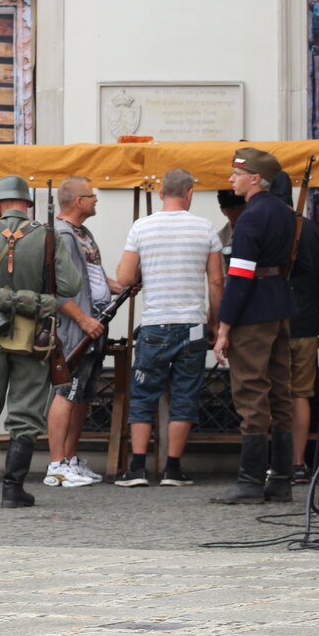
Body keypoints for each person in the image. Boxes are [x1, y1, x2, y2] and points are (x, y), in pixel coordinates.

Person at [0, 176, 82, 509]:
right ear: (28, 203)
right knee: (25, 414)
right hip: (33, 337)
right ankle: (12, 490)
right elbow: (71, 285)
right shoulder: (47, 235)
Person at [113, 168, 224, 487]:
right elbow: (217, 281)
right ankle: (172, 469)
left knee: (144, 394)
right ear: (190, 194)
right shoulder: (205, 228)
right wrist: (214, 321)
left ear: (161, 193)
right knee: (185, 394)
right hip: (192, 325)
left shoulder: (142, 227)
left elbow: (125, 278)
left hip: (155, 325)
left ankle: (137, 468)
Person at [212, 148, 296, 505]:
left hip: (253, 312)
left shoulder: (249, 218)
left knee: (251, 393)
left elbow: (240, 276)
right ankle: (281, 480)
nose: (232, 179)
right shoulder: (284, 212)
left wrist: (225, 327)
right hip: (279, 305)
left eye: (237, 174)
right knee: (280, 392)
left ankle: (250, 482)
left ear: (255, 178)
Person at [44, 176, 117, 489]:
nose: (96, 199)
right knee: (66, 392)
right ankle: (56, 465)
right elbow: (55, 287)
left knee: (81, 394)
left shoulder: (82, 233)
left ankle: (70, 460)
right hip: (76, 329)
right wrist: (83, 320)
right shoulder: (61, 234)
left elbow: (90, 278)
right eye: (91, 195)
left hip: (93, 324)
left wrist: (119, 287)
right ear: (78, 201)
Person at [270, 174, 319, 483]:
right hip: (306, 322)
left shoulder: (268, 226)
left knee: (272, 392)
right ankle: (298, 463)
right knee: (302, 393)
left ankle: (276, 462)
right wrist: (313, 314)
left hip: (271, 321)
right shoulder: (314, 230)